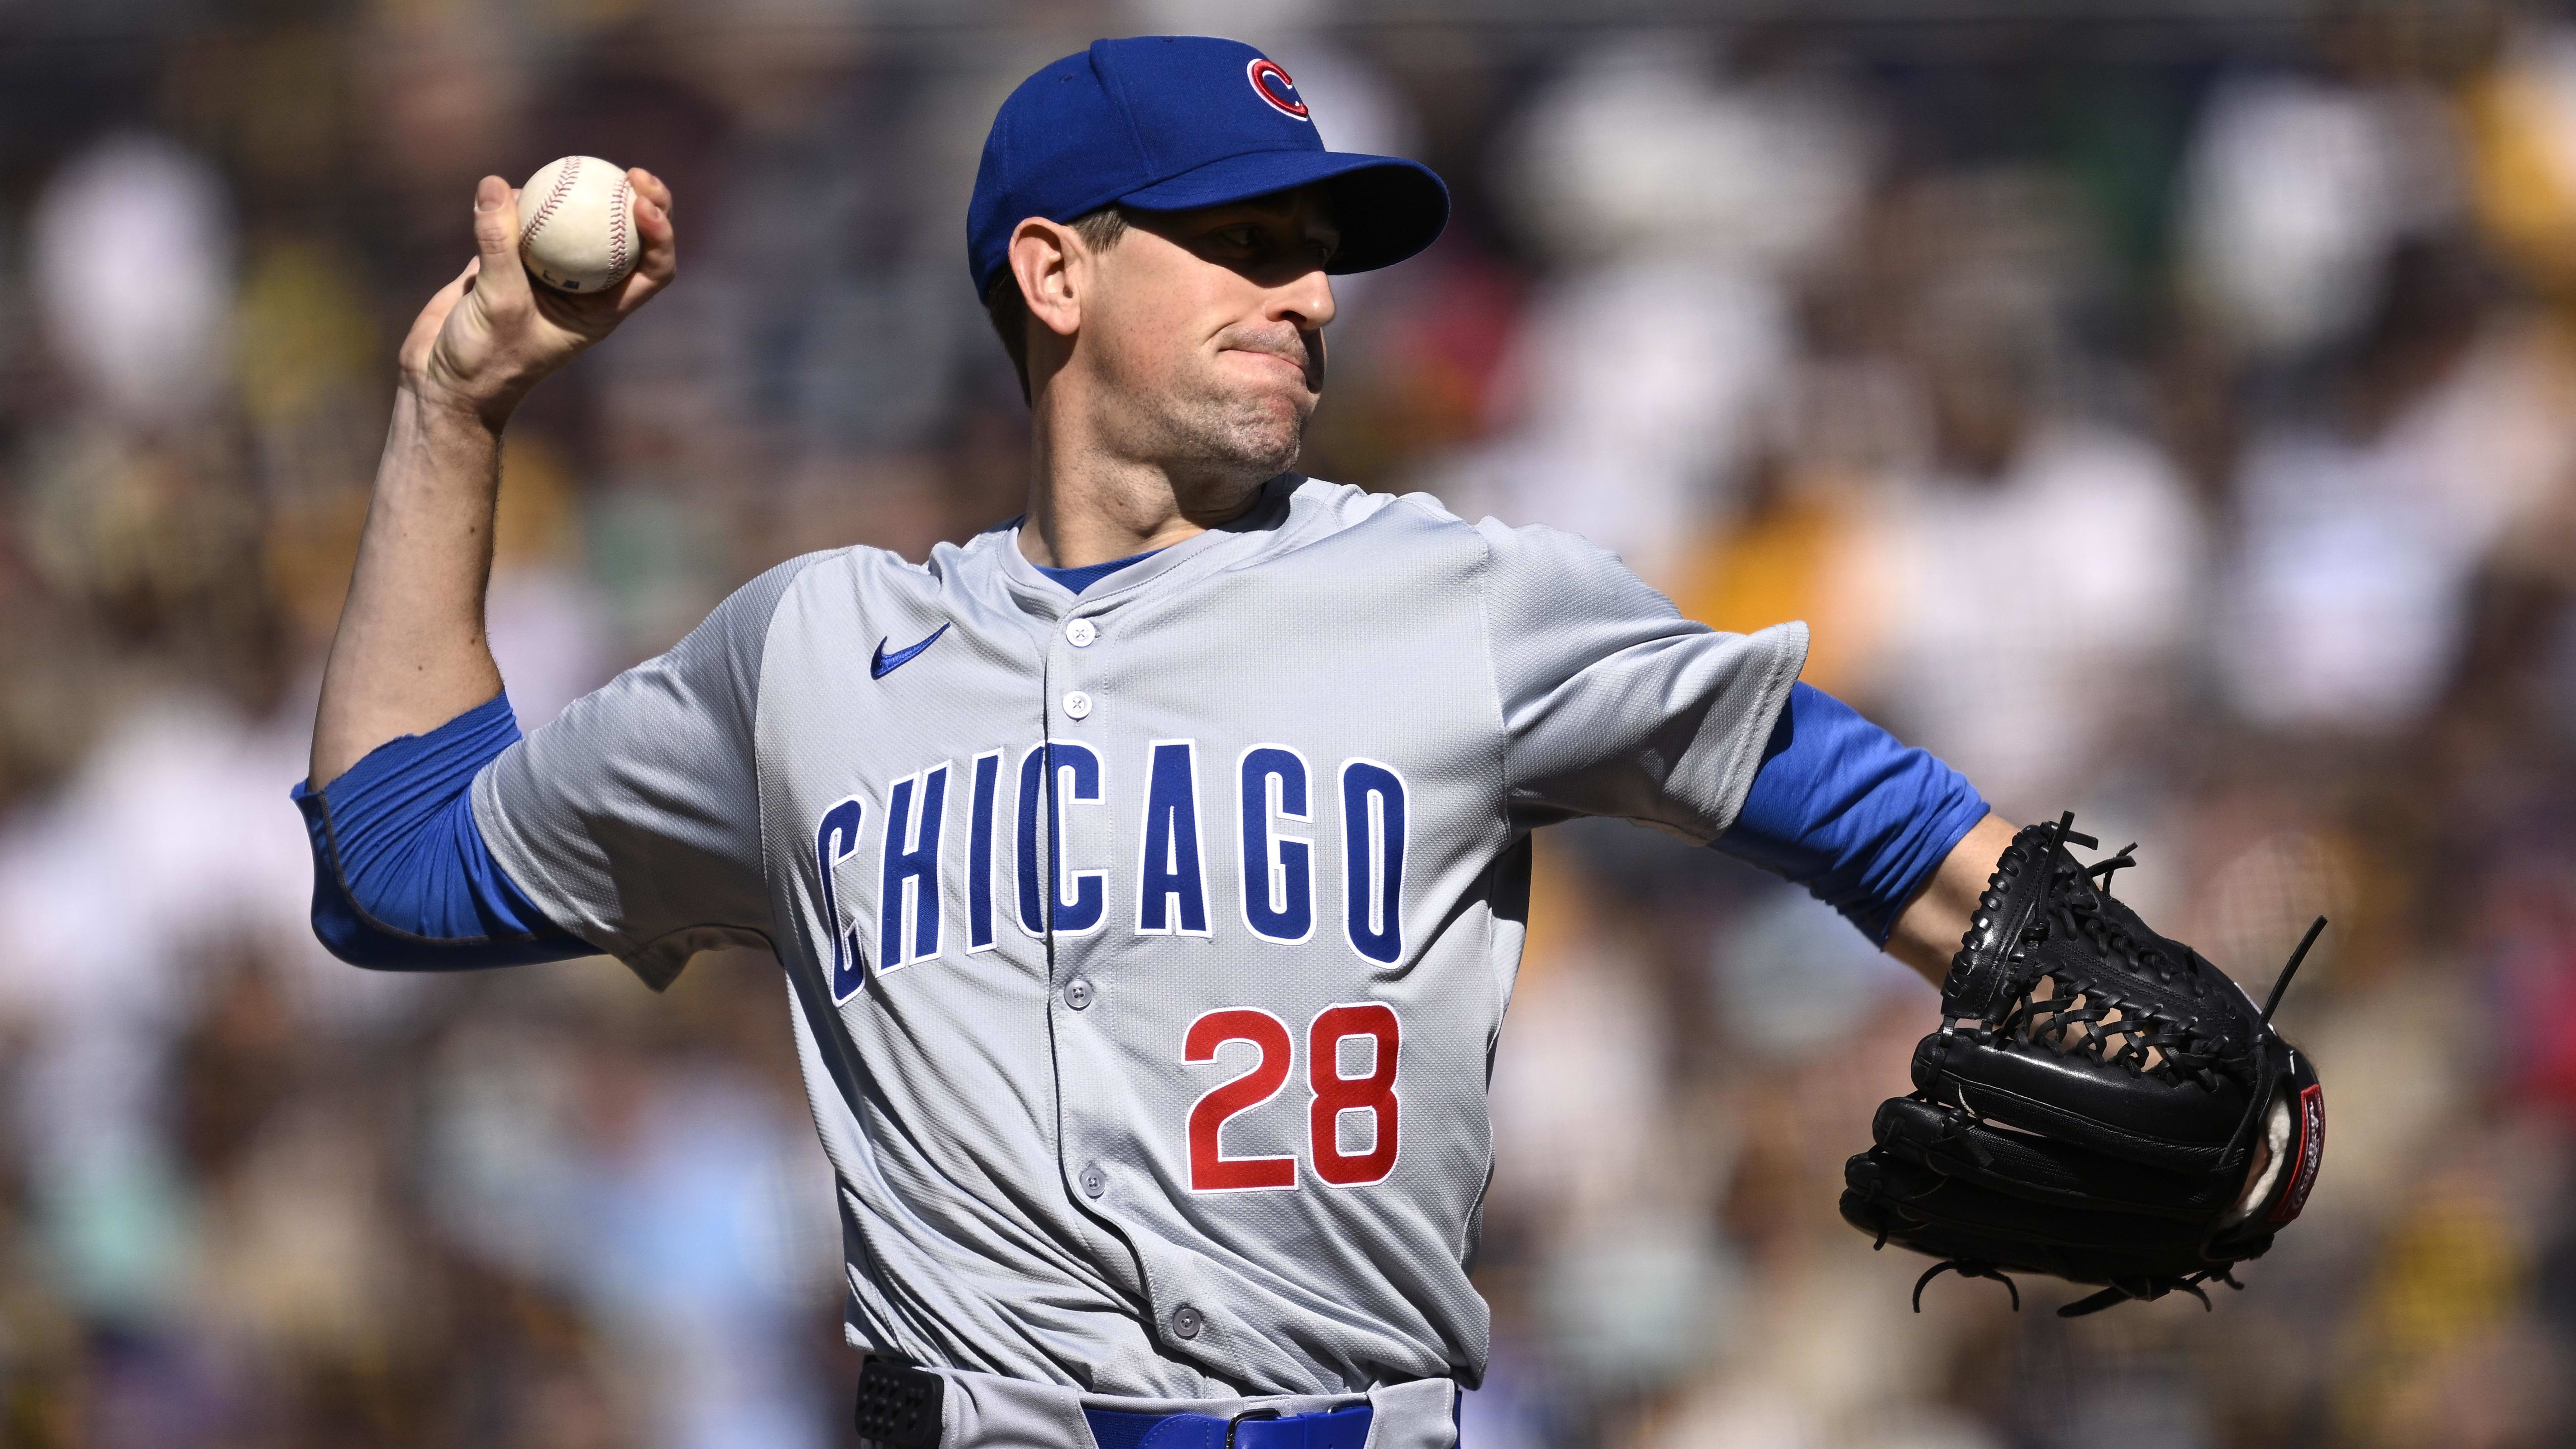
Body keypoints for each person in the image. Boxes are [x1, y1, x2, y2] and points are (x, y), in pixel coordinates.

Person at [297, 36, 2004, 1449]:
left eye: (1315, 250)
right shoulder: (811, 655)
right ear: (1053, 270)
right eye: (1245, 241)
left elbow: (1867, 812)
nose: (1313, 292)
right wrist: (455, 408)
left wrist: (2136, 1020)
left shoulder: (1456, 595)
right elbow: (395, 864)